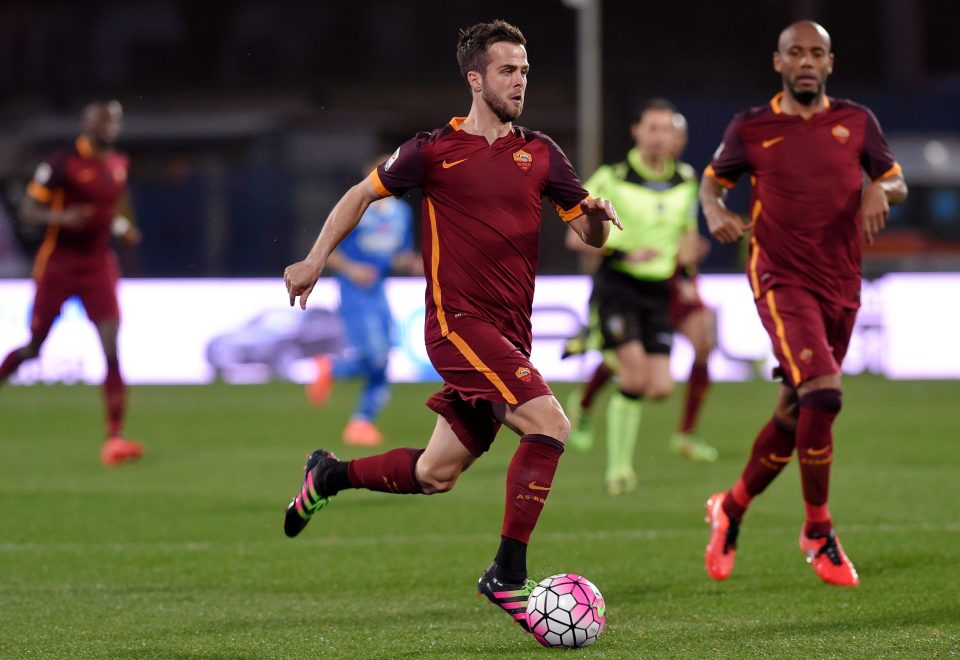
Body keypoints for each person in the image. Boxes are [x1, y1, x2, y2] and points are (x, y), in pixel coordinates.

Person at [280, 20, 620, 632]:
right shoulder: (432, 150)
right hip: (458, 325)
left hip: (510, 335)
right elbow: (360, 195)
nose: (519, 81)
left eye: (524, 70)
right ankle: (508, 576)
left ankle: (328, 473)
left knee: (435, 475)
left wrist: (595, 216)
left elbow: (587, 236)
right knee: (549, 424)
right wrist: (315, 260)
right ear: (475, 78)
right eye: (506, 70)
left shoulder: (541, 153)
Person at [700, 20, 907, 587]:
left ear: (830, 63)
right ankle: (818, 530)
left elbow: (896, 182)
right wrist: (716, 211)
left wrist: (875, 187)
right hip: (780, 277)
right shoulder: (752, 126)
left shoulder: (856, 121)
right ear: (779, 63)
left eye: (817, 53)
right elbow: (712, 182)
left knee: (798, 411)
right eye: (797, 53)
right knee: (824, 392)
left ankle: (731, 508)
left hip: (842, 282)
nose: (807, 61)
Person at [564, 99, 713, 495]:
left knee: (659, 387)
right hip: (619, 286)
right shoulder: (612, 178)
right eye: (652, 128)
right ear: (636, 131)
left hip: (659, 290)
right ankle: (618, 471)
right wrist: (622, 250)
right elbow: (574, 236)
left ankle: (586, 394)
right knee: (633, 375)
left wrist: (687, 270)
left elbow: (686, 232)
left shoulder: (685, 179)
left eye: (666, 129)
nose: (659, 136)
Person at [0, 101, 144, 466]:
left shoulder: (118, 165)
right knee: (34, 347)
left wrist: (125, 229)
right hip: (59, 265)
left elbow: (115, 210)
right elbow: (28, 210)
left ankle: (115, 437)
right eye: (103, 120)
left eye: (115, 120)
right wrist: (62, 217)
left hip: (98, 266)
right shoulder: (62, 163)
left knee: (111, 347)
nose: (111, 125)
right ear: (87, 124)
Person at [306, 155, 422, 447]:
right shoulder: (357, 208)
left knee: (383, 362)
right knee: (377, 355)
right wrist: (352, 269)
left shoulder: (401, 213)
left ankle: (361, 422)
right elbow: (328, 251)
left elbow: (399, 255)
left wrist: (414, 264)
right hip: (354, 293)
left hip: (379, 292)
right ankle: (332, 370)